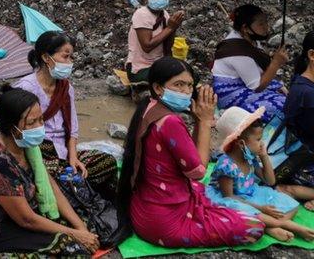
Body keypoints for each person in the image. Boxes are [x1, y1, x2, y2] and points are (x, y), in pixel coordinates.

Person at [118, 57, 264, 248]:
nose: (186, 91)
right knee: (254, 226)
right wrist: (204, 122)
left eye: (189, 85)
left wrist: (198, 122)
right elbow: (198, 172)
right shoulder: (170, 121)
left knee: (203, 192)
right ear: (159, 87)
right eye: (178, 85)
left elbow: (190, 156)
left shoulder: (150, 106)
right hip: (164, 223)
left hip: (143, 210)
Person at [0, 86, 99, 256]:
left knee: (88, 222)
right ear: (12, 127)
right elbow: (26, 220)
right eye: (31, 123)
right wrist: (76, 235)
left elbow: (48, 182)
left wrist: (80, 228)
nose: (39, 127)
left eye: (41, 120)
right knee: (73, 250)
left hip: (27, 210)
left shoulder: (26, 145)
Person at [13, 31, 119, 198]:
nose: (69, 63)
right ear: (46, 58)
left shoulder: (66, 88)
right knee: (49, 170)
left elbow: (72, 129)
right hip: (40, 150)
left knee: (107, 161)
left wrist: (73, 157)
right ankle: (68, 185)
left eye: (71, 58)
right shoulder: (26, 87)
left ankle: (68, 184)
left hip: (63, 153)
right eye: (65, 57)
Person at [206, 106, 314, 241]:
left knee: (291, 206)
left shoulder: (249, 157)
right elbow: (229, 197)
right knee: (244, 211)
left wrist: (264, 156)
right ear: (241, 143)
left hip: (251, 194)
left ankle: (268, 226)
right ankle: (282, 225)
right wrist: (261, 208)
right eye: (258, 140)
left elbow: (270, 181)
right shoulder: (226, 166)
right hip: (233, 199)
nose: (261, 143)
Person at [212, 4, 289, 123]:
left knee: (286, 94)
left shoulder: (249, 40)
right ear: (245, 28)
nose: (266, 27)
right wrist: (276, 63)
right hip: (231, 94)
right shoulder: (238, 51)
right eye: (261, 24)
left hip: (246, 84)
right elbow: (257, 86)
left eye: (265, 22)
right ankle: (234, 114)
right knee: (285, 105)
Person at [126, 0, 184, 83]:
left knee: (188, 73)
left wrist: (173, 28)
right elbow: (147, 46)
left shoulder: (165, 14)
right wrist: (170, 28)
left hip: (158, 64)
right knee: (173, 78)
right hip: (139, 69)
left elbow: (168, 46)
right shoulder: (142, 14)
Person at [284, 32, 314, 194]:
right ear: (312, 55)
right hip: (303, 162)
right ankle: (295, 191)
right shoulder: (307, 93)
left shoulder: (302, 81)